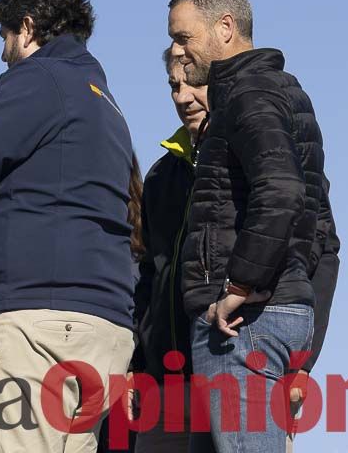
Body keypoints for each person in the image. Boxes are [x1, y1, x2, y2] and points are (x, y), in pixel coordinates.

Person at [0, 0, 136, 453]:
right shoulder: (104, 103)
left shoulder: (39, 79)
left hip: (33, 325)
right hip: (103, 332)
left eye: (4, 38)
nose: (3, 53)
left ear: (27, 27)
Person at [167, 0, 333, 453]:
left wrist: (239, 286)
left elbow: (281, 191)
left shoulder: (248, 93)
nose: (179, 50)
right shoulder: (278, 92)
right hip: (273, 310)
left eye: (184, 36)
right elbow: (315, 215)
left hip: (246, 323)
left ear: (224, 27)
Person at [129, 50, 213, 452]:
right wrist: (138, 363)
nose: (183, 97)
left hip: (233, 372)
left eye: (194, 82)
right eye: (174, 86)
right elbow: (149, 274)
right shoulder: (161, 175)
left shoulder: (251, 157)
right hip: (164, 384)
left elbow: (315, 250)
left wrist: (300, 361)